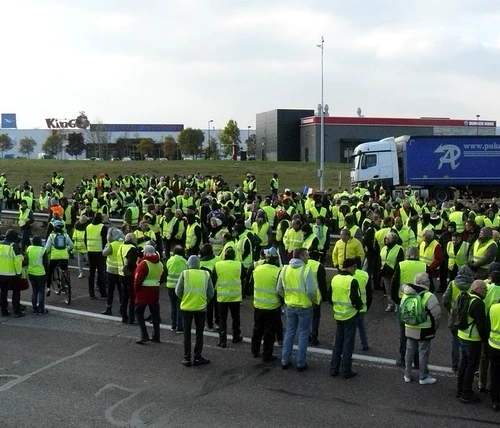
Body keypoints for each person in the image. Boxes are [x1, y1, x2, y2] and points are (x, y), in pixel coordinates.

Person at [277, 247, 320, 372]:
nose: (308, 257)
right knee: (303, 333)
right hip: (304, 306)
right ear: (301, 256)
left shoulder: (285, 269)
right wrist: (313, 301)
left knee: (290, 332)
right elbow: (311, 290)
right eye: (306, 255)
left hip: (290, 305)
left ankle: (285, 360)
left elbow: (279, 289)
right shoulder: (306, 270)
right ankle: (300, 362)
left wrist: (287, 298)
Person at [401, 272, 441, 384]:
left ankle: (407, 374)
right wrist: (435, 328)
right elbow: (436, 315)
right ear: (424, 283)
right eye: (428, 280)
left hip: (409, 326)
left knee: (409, 351)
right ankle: (423, 376)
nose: (429, 282)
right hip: (424, 328)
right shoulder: (429, 296)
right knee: (423, 352)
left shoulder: (406, 294)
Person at [176, 255, 214, 367]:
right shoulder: (205, 274)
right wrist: (205, 300)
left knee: (187, 333)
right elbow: (211, 292)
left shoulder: (185, 274)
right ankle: (198, 357)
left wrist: (184, 298)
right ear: (199, 264)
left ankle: (187, 358)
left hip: (187, 307)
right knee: (199, 333)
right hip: (201, 307)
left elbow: (178, 291)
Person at [330, 258, 363, 378]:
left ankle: (334, 368)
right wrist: (359, 308)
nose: (355, 269)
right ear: (349, 268)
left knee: (338, 342)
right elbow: (356, 299)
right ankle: (345, 370)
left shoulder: (335, 278)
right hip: (350, 315)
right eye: (354, 267)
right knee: (348, 344)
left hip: (338, 314)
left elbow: (330, 297)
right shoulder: (352, 281)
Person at [457, 280, 488, 403]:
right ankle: (466, 392)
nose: (486, 291)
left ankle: (460, 389)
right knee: (471, 365)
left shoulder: (465, 297)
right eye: (484, 289)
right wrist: (484, 340)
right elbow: (481, 325)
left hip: (462, 335)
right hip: (472, 339)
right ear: (478, 289)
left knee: (464, 363)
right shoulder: (478, 303)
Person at [250, 247, 282, 363]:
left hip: (258, 305)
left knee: (257, 329)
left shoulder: (258, 269)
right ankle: (267, 355)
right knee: (269, 333)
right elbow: (280, 290)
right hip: (272, 307)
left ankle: (254, 350)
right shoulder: (278, 271)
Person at [442, 265, 474, 371]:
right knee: (467, 344)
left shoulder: (452, 284)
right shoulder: (473, 285)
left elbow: (445, 300)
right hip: (468, 319)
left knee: (455, 342)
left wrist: (450, 310)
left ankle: (455, 365)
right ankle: (467, 364)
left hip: (454, 317)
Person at [213, 247, 245, 348]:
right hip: (235, 297)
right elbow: (243, 276)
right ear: (234, 256)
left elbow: (213, 278)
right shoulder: (239, 265)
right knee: (236, 318)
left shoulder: (218, 265)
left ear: (225, 256)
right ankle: (236, 336)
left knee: (222, 319)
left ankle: (222, 340)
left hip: (222, 297)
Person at [134, 245, 166, 344]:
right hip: (155, 291)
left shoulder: (144, 264)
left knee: (139, 313)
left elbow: (137, 279)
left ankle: (144, 335)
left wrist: (136, 291)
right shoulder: (160, 264)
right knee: (155, 315)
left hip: (143, 291)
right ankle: (156, 336)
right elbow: (163, 277)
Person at [45, 220, 74, 293]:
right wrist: (67, 249)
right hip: (64, 256)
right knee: (64, 269)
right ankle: (65, 283)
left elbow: (47, 248)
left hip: (55, 257)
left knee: (50, 271)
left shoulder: (52, 236)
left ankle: (48, 288)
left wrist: (46, 252)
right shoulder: (66, 235)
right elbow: (71, 246)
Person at [0, 230, 24, 317]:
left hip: (1, 274)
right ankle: (17, 311)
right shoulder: (13, 246)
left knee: (3, 292)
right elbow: (17, 261)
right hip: (12, 274)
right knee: (16, 292)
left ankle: (4, 311)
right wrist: (19, 273)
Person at [101, 228, 125, 316]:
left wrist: (107, 243)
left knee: (111, 291)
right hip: (120, 270)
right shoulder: (123, 244)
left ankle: (109, 308)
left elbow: (104, 253)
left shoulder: (111, 244)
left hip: (111, 270)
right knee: (120, 290)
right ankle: (122, 308)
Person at [165, 246, 188, 333]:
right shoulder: (184, 262)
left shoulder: (169, 260)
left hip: (170, 285)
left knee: (173, 306)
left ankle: (173, 325)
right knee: (180, 306)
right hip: (180, 286)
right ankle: (180, 327)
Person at [85, 212, 108, 299]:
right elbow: (105, 241)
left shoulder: (88, 227)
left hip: (90, 251)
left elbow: (85, 239)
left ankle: (91, 293)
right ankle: (103, 293)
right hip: (99, 252)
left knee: (91, 273)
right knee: (101, 272)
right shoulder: (102, 227)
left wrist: (88, 248)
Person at [380, 232, 404, 312]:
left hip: (394, 272)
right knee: (388, 290)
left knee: (396, 289)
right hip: (385, 272)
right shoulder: (384, 248)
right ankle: (391, 304)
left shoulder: (399, 248)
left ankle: (397, 305)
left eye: (387, 238)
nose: (385, 240)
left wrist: (397, 272)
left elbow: (400, 261)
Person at [118, 233, 139, 324]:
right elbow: (132, 263)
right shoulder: (132, 248)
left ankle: (123, 315)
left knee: (124, 297)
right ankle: (131, 318)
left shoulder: (121, 246)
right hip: (129, 275)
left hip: (121, 274)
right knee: (132, 298)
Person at [27, 235, 48, 314]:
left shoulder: (29, 248)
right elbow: (45, 263)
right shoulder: (42, 250)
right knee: (41, 291)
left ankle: (34, 308)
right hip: (40, 272)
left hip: (31, 272)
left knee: (34, 291)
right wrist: (47, 273)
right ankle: (41, 308)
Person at [488, 298, 500, 411]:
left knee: (495, 374)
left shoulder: (493, 308)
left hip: (494, 346)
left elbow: (488, 324)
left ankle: (495, 400)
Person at [72, 215, 88, 279]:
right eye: (81, 220)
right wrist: (74, 247)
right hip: (79, 247)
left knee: (88, 261)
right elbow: (74, 237)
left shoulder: (88, 227)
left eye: (83, 220)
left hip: (86, 247)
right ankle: (81, 272)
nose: (82, 222)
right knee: (79, 261)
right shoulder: (77, 227)